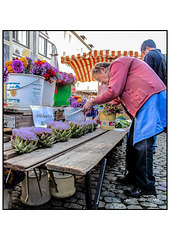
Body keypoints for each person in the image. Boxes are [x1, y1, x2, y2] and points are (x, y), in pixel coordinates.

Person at [82, 58, 166, 197]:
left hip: (149, 98)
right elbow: (114, 100)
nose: (103, 83)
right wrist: (101, 115)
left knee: (142, 145)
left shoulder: (118, 64)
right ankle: (133, 176)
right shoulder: (119, 76)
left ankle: (147, 185)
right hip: (142, 104)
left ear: (103, 69)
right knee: (131, 143)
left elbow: (113, 91)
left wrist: (93, 101)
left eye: (100, 80)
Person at [141, 39, 167, 153]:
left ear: (146, 48)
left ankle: (149, 144)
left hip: (152, 92)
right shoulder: (164, 57)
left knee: (150, 118)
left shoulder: (150, 55)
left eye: (143, 52)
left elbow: (145, 75)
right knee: (157, 118)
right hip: (163, 91)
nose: (144, 55)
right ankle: (153, 145)